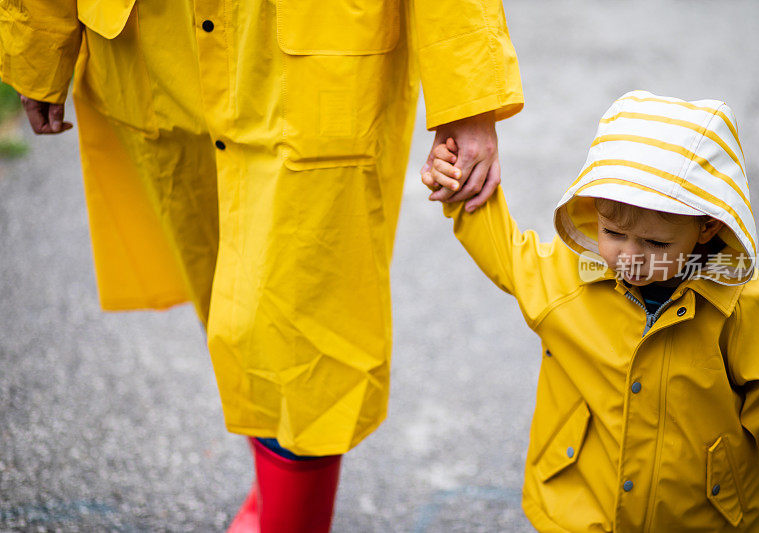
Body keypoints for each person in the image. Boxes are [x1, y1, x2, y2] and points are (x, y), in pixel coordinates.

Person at [0, 1, 523, 531]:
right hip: (154, 50)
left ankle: (289, 518)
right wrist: (37, 44)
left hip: (313, 62)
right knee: (227, 302)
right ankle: (275, 493)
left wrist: (469, 101)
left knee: (305, 334)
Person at [423, 90, 759, 532]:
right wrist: (460, 183)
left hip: (700, 520)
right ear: (593, 210)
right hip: (579, 513)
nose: (630, 257)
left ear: (708, 224)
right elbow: (507, 254)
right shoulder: (573, 277)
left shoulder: (742, 305)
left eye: (656, 243)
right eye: (613, 232)